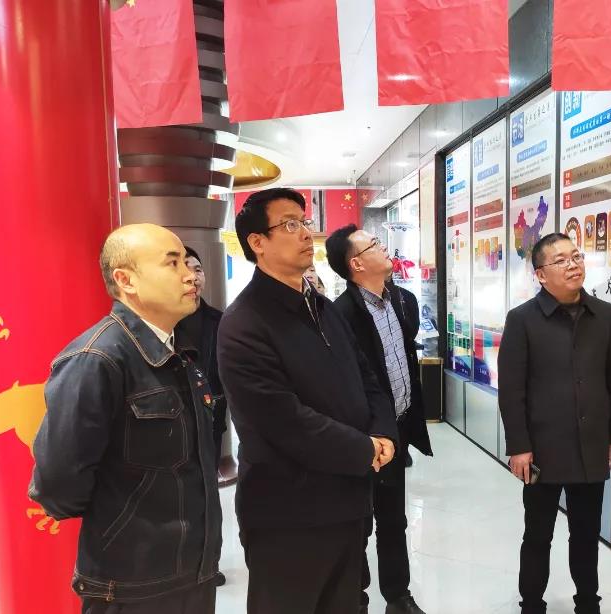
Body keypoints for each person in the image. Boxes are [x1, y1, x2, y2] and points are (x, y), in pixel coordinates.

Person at [218, 188, 399, 614]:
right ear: (257, 242)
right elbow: (284, 422)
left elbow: (368, 378)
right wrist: (364, 449)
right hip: (288, 515)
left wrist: (383, 433)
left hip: (348, 500)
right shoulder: (244, 324)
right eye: (289, 224)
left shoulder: (323, 308)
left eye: (304, 221)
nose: (305, 233)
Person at [29, 224, 222, 613]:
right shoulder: (96, 359)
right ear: (126, 280)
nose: (189, 274)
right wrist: (122, 516)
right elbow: (58, 486)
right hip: (130, 584)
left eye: (188, 263)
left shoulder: (180, 352)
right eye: (172, 263)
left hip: (193, 572)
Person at [498, 232, 611, 614]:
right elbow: (512, 390)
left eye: (576, 256)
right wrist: (519, 447)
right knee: (538, 535)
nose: (573, 265)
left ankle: (588, 603)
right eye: (561, 260)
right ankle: (531, 604)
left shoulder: (603, 314)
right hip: (542, 450)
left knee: (586, 535)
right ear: (541, 275)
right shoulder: (522, 320)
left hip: (591, 447)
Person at [326, 225, 433, 614]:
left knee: (394, 518)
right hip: (364, 436)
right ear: (356, 264)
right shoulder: (340, 315)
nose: (383, 246)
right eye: (373, 244)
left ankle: (398, 596)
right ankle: (355, 598)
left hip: (398, 427)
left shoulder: (401, 301)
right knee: (358, 522)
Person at [177, 247, 235, 487]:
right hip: (176, 422)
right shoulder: (164, 321)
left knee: (208, 484)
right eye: (186, 269)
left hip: (212, 419)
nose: (194, 276)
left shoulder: (221, 320)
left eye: (198, 269)